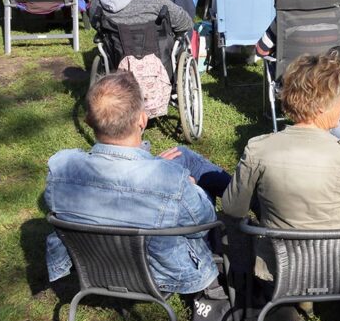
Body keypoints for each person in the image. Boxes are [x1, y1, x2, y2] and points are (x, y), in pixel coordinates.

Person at [221, 53, 340, 289]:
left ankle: (297, 300)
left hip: (280, 272)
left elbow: (232, 207)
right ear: (323, 104)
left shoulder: (257, 149)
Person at [45, 72, 229, 297]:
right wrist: (189, 185)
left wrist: (156, 167)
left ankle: (246, 198)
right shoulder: (172, 181)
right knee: (190, 173)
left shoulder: (61, 169)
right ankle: (251, 203)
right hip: (161, 274)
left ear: (88, 121)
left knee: (181, 155)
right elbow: (206, 222)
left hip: (94, 269)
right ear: (142, 120)